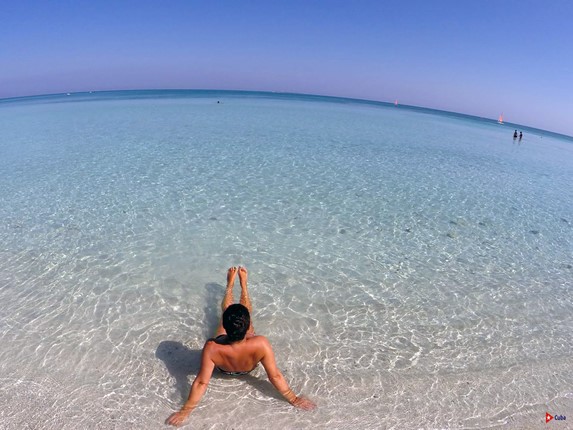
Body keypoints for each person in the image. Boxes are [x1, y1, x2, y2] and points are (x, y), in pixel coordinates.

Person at [166, 266, 316, 426]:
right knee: (244, 314)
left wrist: (185, 411)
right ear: (248, 328)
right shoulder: (260, 343)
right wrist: (293, 398)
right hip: (248, 369)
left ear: (225, 325)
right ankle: (244, 286)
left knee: (229, 313)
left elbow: (202, 382)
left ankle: (229, 286)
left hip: (224, 370)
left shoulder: (212, 347)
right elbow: (275, 376)